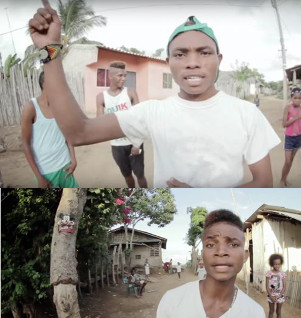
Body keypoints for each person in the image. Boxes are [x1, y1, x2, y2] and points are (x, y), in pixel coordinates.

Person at [28, 4, 281, 188]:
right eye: (181, 54)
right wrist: (51, 49)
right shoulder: (153, 112)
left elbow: (264, 181)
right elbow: (78, 132)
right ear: (169, 62)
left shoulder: (247, 114)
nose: (192, 63)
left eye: (204, 52)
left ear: (219, 60)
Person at [150, 209, 266, 318]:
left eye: (233, 244)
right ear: (202, 255)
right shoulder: (173, 299)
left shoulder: (254, 314)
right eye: (211, 245)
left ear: (245, 255)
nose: (221, 252)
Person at [21, 71, 78, 188]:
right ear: (45, 84)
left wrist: (73, 159)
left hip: (65, 166)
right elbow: (25, 144)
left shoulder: (61, 106)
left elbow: (68, 135)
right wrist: (39, 177)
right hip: (46, 171)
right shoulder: (31, 108)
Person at [96, 61, 147, 188]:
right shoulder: (101, 97)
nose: (124, 79)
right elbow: (100, 123)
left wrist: (137, 143)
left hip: (134, 143)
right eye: (120, 76)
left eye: (125, 75)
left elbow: (140, 119)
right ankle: (132, 194)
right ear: (110, 76)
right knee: (127, 175)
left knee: (140, 175)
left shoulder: (130, 92)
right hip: (117, 146)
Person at [265, 254, 286, 318]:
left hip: (279, 296)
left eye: (279, 264)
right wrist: (271, 296)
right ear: (272, 264)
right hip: (271, 296)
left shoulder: (283, 274)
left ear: (281, 264)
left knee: (278, 312)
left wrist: (279, 296)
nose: (277, 266)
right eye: (275, 264)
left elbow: (284, 287)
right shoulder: (269, 273)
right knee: (271, 312)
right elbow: (267, 286)